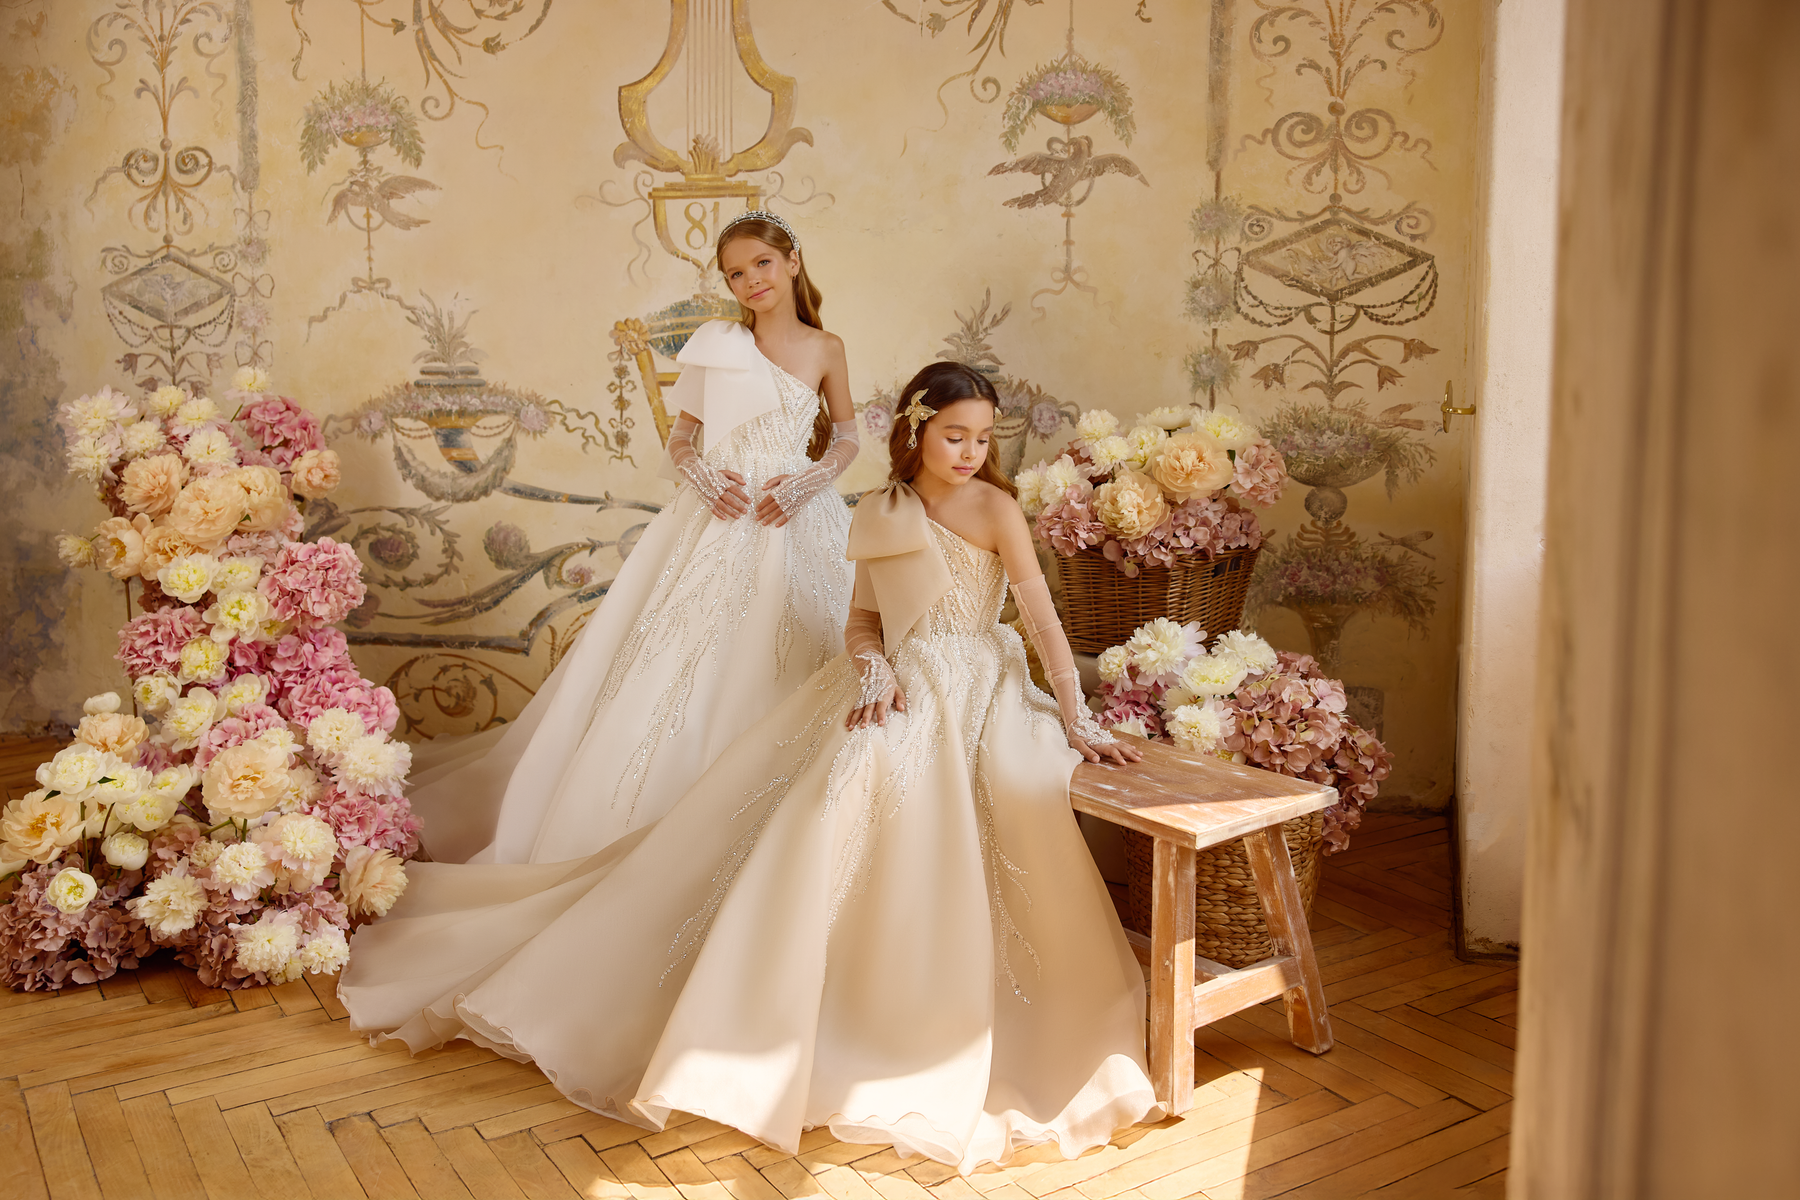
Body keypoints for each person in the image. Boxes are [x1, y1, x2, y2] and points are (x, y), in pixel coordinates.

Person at [340, 361, 1160, 1173]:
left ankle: (903, 1004)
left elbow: (1042, 621)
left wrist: (1075, 714)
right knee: (833, 789)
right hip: (893, 682)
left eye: (982, 438)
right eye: (955, 436)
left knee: (963, 782)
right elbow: (862, 623)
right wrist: (873, 666)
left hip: (979, 680)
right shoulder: (884, 509)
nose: (972, 452)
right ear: (915, 433)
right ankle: (772, 999)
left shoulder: (994, 507)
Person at [407, 211, 861, 864]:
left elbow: (846, 438)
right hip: (721, 514)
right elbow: (682, 439)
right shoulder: (716, 343)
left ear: (792, 262)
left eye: (762, 263)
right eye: (735, 273)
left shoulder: (827, 348)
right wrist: (704, 476)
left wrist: (808, 482)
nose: (751, 280)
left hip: (797, 514)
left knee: (805, 648)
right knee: (688, 664)